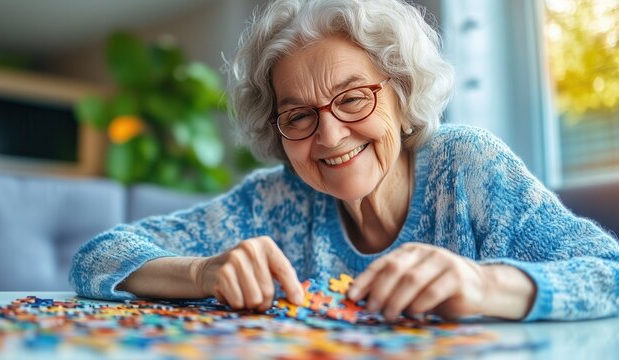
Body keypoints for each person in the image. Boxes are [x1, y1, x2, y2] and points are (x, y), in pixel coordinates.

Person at [70, 0, 619, 321]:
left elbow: (609, 273)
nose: (330, 135)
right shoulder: (276, 200)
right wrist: (203, 270)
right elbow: (96, 258)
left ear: (402, 95)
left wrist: (484, 285)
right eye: (299, 115)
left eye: (353, 98)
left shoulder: (466, 167)